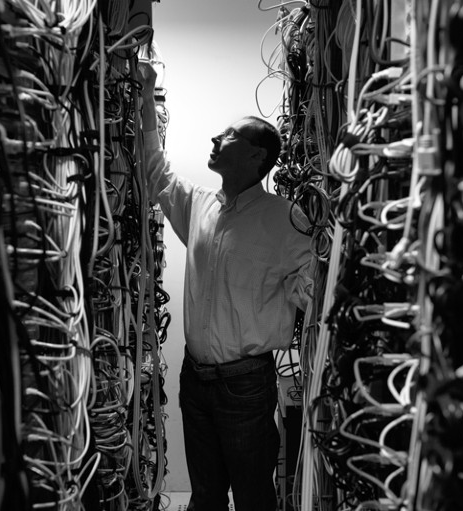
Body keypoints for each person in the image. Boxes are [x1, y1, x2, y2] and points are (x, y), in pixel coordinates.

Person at [137, 62, 313, 511]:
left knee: (254, 497)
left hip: (246, 385)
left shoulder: (286, 220)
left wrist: (302, 292)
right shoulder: (199, 205)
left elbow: (314, 289)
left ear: (257, 157)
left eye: (229, 136)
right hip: (195, 380)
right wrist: (144, 93)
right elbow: (154, 170)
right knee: (206, 496)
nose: (216, 140)